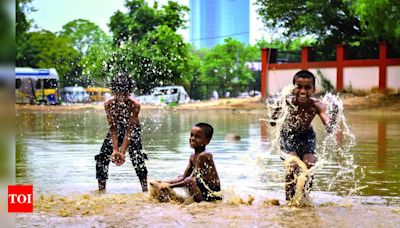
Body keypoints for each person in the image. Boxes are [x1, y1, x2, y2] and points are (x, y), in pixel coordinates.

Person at [270, 70, 337, 201]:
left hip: (307, 136)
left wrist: (334, 116)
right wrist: (280, 105)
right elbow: (273, 122)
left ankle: (305, 198)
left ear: (313, 89)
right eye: (298, 87)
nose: (302, 91)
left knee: (309, 165)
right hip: (288, 135)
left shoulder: (317, 105)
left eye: (307, 87)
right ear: (292, 88)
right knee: (293, 165)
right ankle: (289, 201)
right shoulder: (287, 102)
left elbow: (329, 127)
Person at [94, 72, 148, 193]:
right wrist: (115, 150)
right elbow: (113, 128)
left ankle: (145, 190)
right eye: (118, 94)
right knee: (102, 157)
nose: (121, 97)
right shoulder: (109, 104)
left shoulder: (135, 105)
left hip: (133, 130)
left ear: (128, 92)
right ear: (114, 92)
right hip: (116, 129)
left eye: (124, 94)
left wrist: (122, 152)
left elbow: (130, 130)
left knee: (137, 157)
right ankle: (101, 191)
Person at [161, 123, 222, 202]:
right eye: (191, 135)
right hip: (203, 189)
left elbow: (192, 178)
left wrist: (170, 186)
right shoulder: (193, 156)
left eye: (198, 137)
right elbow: (183, 177)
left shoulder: (204, 155)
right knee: (181, 177)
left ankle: (201, 204)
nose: (192, 138)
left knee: (189, 181)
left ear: (207, 141)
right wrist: (162, 182)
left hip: (212, 193)